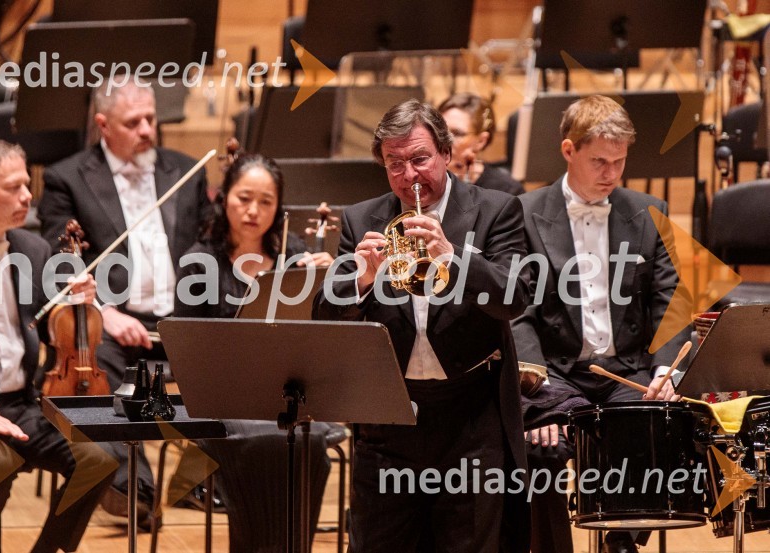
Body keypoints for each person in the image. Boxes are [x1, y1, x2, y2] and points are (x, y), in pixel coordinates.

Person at [313, 99, 532, 552]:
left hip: (469, 418)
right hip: (388, 422)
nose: (409, 176)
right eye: (395, 164)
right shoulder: (361, 220)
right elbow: (325, 321)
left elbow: (515, 297)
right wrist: (362, 278)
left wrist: (454, 258)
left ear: (447, 154)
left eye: (419, 159)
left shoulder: (496, 210)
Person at [511, 95, 692, 553]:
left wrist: (665, 373)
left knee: (660, 427)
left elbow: (669, 299)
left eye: (619, 161)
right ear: (568, 151)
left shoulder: (650, 210)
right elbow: (519, 313)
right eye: (599, 161)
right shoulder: (525, 213)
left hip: (624, 373)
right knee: (540, 450)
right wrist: (537, 390)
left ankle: (623, 542)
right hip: (557, 375)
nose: (611, 173)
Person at [37, 78, 211, 521]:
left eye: (150, 118)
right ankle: (133, 488)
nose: (147, 129)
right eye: (133, 122)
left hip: (183, 319)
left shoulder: (187, 171)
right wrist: (104, 312)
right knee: (93, 359)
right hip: (116, 322)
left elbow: (213, 244)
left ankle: (195, 479)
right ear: (103, 125)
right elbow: (59, 261)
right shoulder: (67, 178)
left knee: (234, 362)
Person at [0, 138, 116, 553]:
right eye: (14, 187)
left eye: (28, 184)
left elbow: (57, 324)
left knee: (99, 460)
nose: (27, 197)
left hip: (20, 403)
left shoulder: (33, 249)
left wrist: (79, 302)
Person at [173, 152, 337, 552]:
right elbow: (188, 347)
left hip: (286, 395)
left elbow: (325, 332)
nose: (253, 211)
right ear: (224, 197)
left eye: (266, 201)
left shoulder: (295, 256)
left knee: (310, 441)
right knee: (266, 443)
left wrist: (331, 280)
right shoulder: (200, 262)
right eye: (244, 198)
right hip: (224, 398)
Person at [437, 92, 524, 195]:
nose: (443, 139)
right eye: (439, 130)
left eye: (457, 134)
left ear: (481, 141)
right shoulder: (422, 179)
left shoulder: (508, 191)